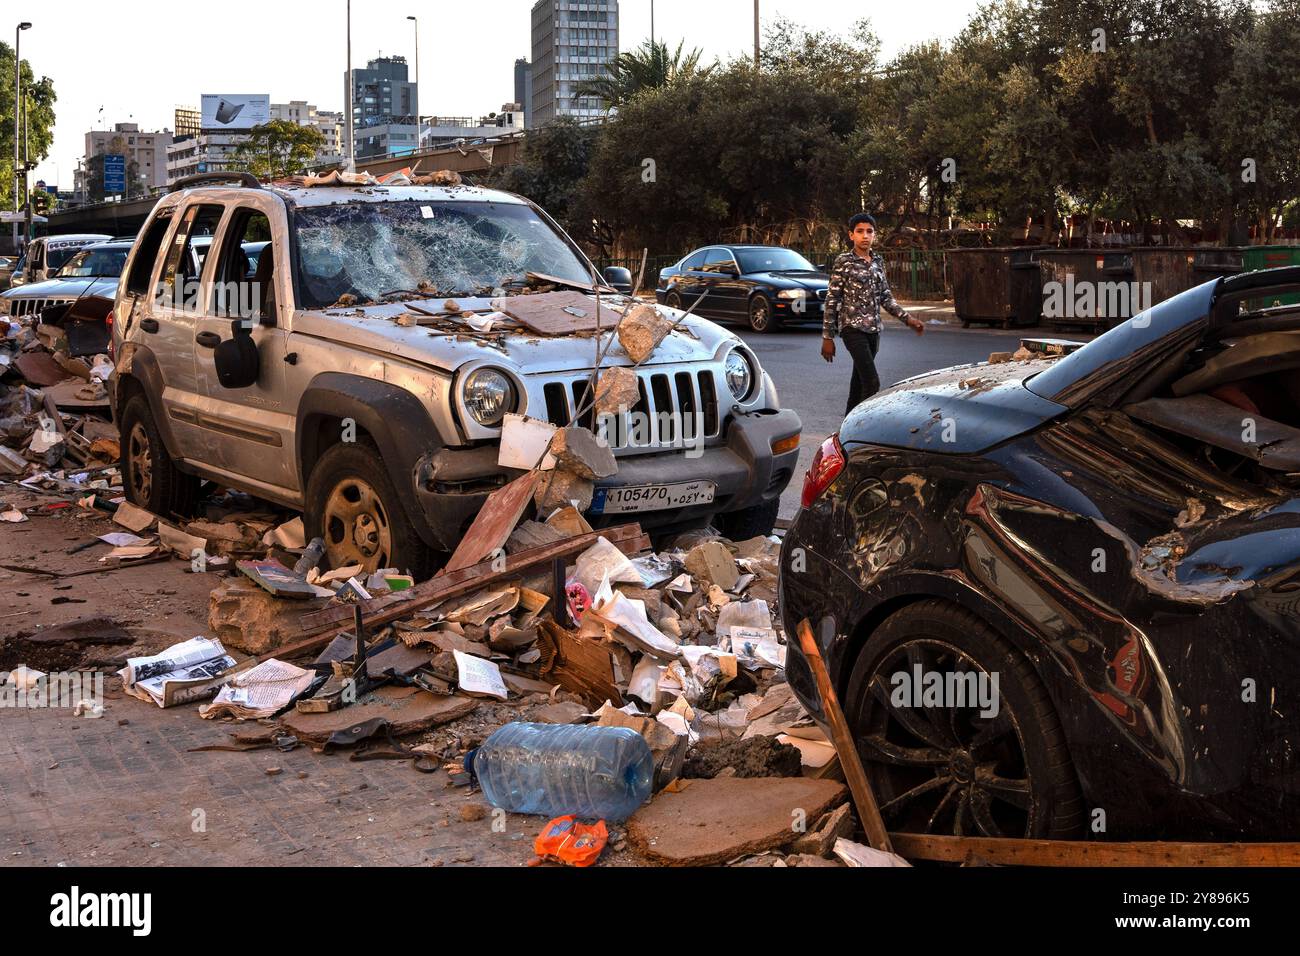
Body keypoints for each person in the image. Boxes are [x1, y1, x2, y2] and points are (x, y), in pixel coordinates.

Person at [821, 213, 925, 415]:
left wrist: (908, 319)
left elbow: (886, 297)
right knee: (871, 382)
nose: (865, 236)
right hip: (852, 329)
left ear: (874, 235)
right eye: (859, 231)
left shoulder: (878, 261)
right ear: (851, 235)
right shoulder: (844, 261)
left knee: (858, 383)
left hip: (873, 331)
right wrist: (827, 336)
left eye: (869, 231)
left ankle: (846, 431)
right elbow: (832, 299)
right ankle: (865, 428)